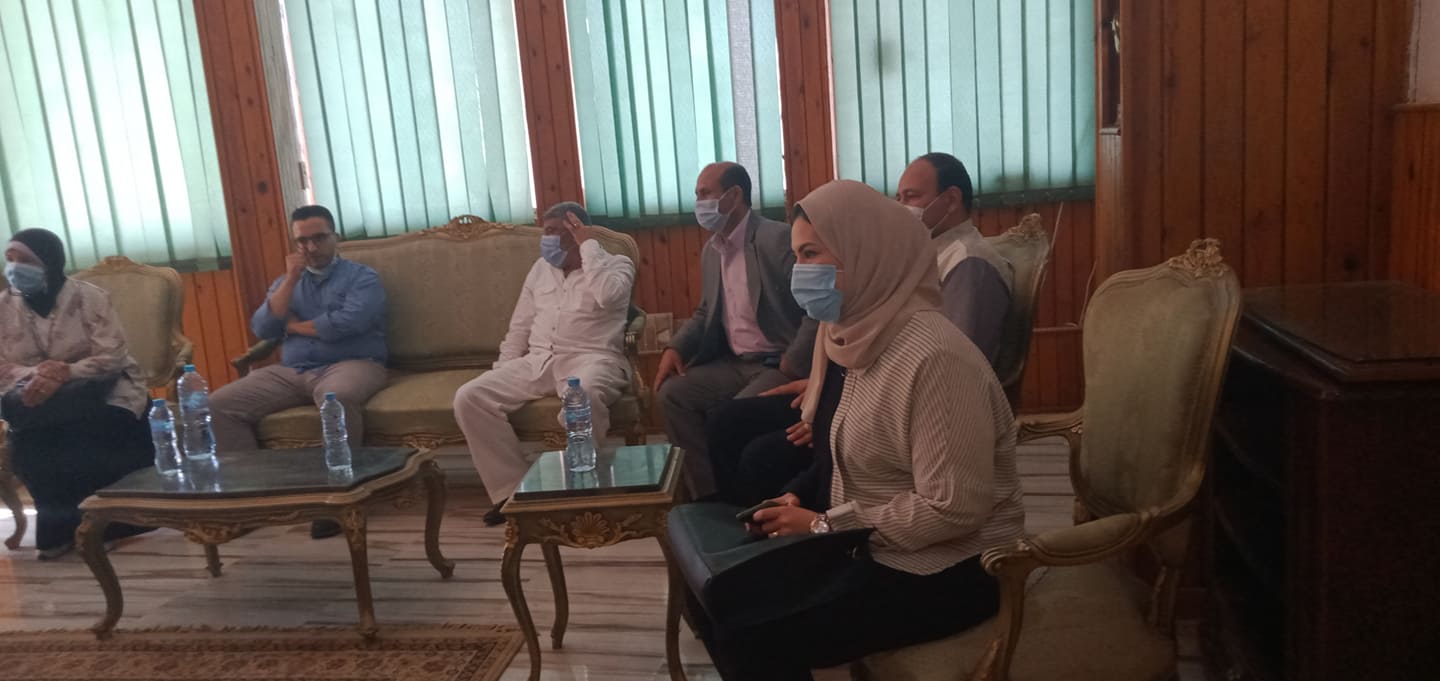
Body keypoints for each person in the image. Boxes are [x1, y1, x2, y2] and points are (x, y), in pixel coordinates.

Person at [694, 180, 1026, 680]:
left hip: (950, 568)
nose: (800, 272)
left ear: (865, 252)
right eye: (797, 256)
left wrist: (824, 525)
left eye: (811, 254)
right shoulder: (854, 336)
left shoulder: (935, 358)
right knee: (713, 595)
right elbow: (840, 454)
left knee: (748, 628)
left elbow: (953, 508)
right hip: (875, 541)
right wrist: (796, 499)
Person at [706, 153, 1016, 506]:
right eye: (898, 197)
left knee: (761, 456)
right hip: (858, 392)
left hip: (899, 414)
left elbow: (949, 361)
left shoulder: (965, 264)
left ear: (951, 199)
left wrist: (821, 521)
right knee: (727, 422)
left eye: (911, 196)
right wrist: (822, 392)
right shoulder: (897, 262)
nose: (902, 207)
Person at [209, 205, 388, 539]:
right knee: (219, 404)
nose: (311, 247)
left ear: (336, 237)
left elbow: (348, 323)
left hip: (354, 363)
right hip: (292, 370)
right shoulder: (285, 283)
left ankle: (336, 498)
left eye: (319, 238)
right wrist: (291, 279)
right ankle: (250, 500)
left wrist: (292, 327)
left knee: (336, 398)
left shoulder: (362, 278)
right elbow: (263, 327)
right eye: (302, 241)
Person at [454, 202, 635, 526]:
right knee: (469, 397)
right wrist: (503, 371)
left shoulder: (617, 264)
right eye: (544, 232)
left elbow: (609, 297)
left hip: (593, 358)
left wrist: (588, 246)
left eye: (552, 232)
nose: (544, 239)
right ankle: (512, 493)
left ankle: (584, 491)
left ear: (574, 231)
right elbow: (519, 327)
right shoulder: (540, 268)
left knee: (584, 396)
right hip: (538, 360)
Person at [654, 162, 816, 495]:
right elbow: (705, 312)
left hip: (777, 362)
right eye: (697, 195)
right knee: (672, 395)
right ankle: (708, 495)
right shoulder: (712, 250)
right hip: (732, 362)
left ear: (734, 195)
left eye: (705, 194)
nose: (698, 203)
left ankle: (741, 499)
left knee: (731, 417)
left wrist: (793, 361)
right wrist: (675, 348)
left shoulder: (776, 239)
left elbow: (814, 309)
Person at [0, 229, 154, 560]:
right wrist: (40, 375)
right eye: (9, 259)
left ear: (50, 261)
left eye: (24, 260)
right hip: (36, 397)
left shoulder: (90, 298)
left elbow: (112, 356)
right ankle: (58, 531)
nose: (14, 268)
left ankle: (104, 527)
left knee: (87, 436)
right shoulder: (3, 306)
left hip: (103, 388)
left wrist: (66, 372)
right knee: (31, 445)